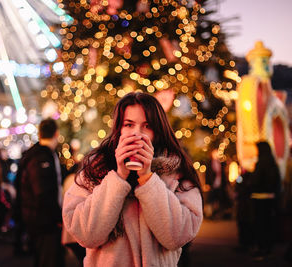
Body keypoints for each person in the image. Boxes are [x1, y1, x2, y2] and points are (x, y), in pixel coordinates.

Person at [62, 92, 203, 267]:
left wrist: (148, 178)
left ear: (158, 132)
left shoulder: (176, 172)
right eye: (129, 125)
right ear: (118, 129)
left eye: (147, 126)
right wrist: (118, 177)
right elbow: (85, 234)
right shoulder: (95, 170)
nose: (137, 134)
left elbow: (177, 237)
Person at [20, 118, 64, 267]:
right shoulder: (42, 157)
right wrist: (57, 217)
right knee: (48, 259)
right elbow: (43, 192)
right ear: (56, 134)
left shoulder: (40, 154)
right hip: (44, 220)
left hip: (39, 218)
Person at [250, 141, 281, 260]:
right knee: (268, 223)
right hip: (270, 197)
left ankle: (261, 248)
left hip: (259, 197)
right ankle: (268, 248)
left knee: (260, 224)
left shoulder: (261, 162)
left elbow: (255, 180)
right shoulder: (272, 162)